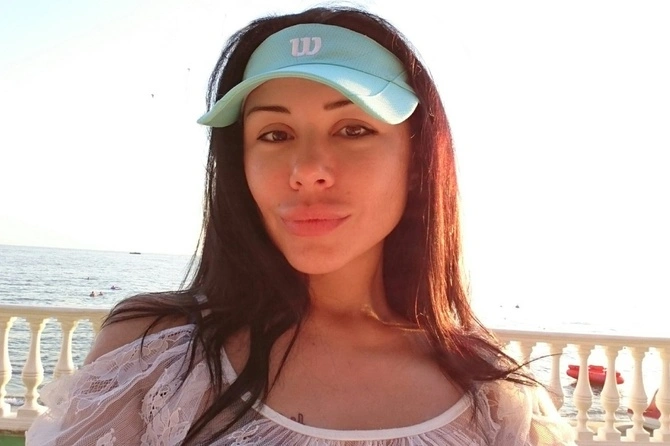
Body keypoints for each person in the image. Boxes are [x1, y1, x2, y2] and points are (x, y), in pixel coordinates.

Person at [26, 6, 576, 445]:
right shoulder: (152, 357)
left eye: (353, 129)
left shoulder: (494, 398)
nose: (307, 170)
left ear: (417, 162)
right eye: (275, 135)